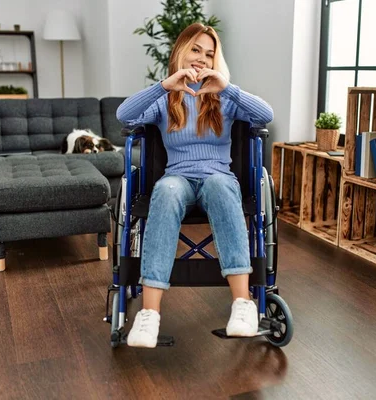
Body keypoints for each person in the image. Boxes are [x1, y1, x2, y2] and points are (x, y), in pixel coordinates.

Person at [116, 23, 273, 348]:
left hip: (218, 177)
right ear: (181, 52)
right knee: (167, 189)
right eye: (196, 50)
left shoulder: (223, 97)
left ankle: (243, 306)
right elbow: (124, 116)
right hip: (178, 178)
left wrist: (227, 88)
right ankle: (149, 316)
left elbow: (266, 114)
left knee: (218, 186)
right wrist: (163, 86)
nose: (202, 58)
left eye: (209, 53)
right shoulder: (165, 100)